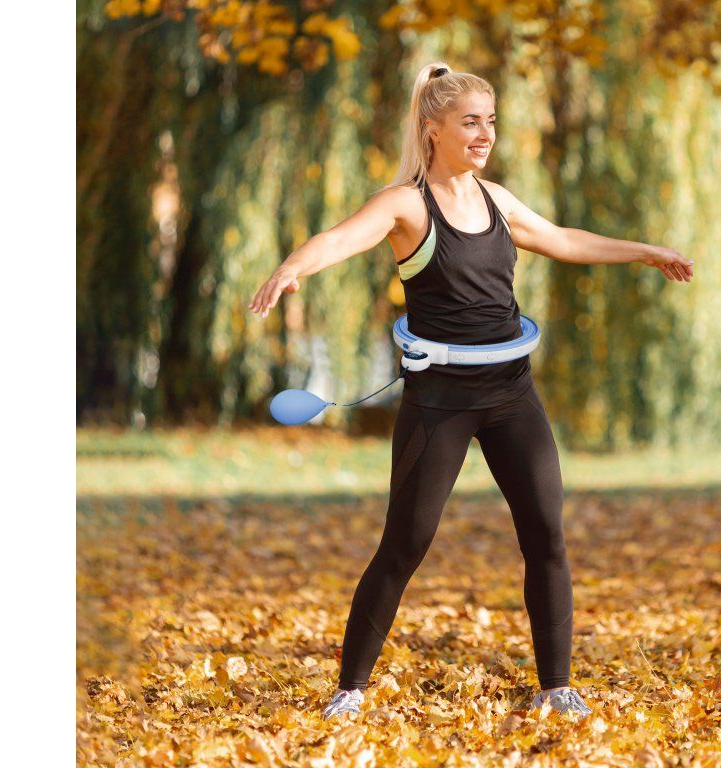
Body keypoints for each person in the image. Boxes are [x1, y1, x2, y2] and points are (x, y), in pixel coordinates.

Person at [249, 63, 694, 721]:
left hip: (511, 392)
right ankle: (350, 689)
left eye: (490, 121)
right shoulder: (406, 204)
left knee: (546, 534)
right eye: (470, 122)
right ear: (433, 129)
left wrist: (644, 251)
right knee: (405, 544)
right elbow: (339, 239)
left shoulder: (497, 200)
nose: (485, 134)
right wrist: (294, 266)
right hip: (440, 400)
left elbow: (562, 239)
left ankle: (556, 686)